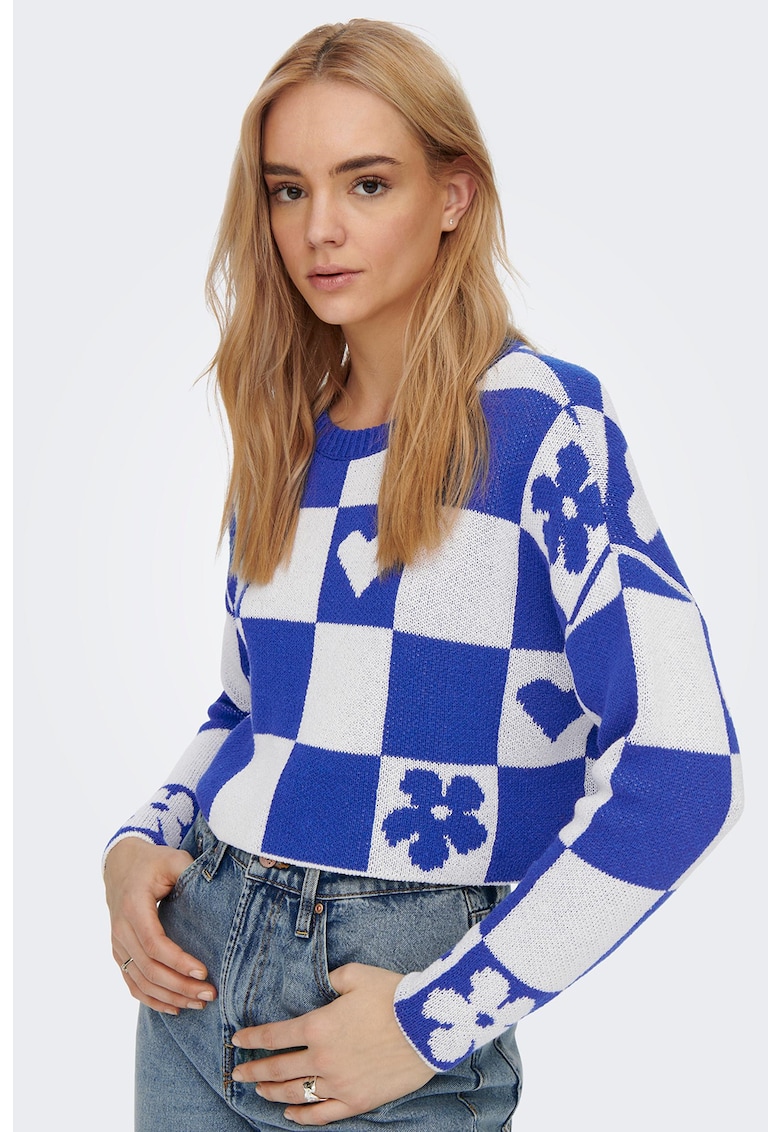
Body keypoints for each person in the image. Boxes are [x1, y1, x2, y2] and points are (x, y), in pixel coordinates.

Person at [103, 18, 743, 1131]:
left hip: (392, 1005)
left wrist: (434, 1020)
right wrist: (140, 839)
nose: (321, 228)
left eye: (367, 183)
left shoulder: (544, 426)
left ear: (453, 194)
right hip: (194, 981)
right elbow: (253, 711)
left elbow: (685, 768)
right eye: (288, 190)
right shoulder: (286, 438)